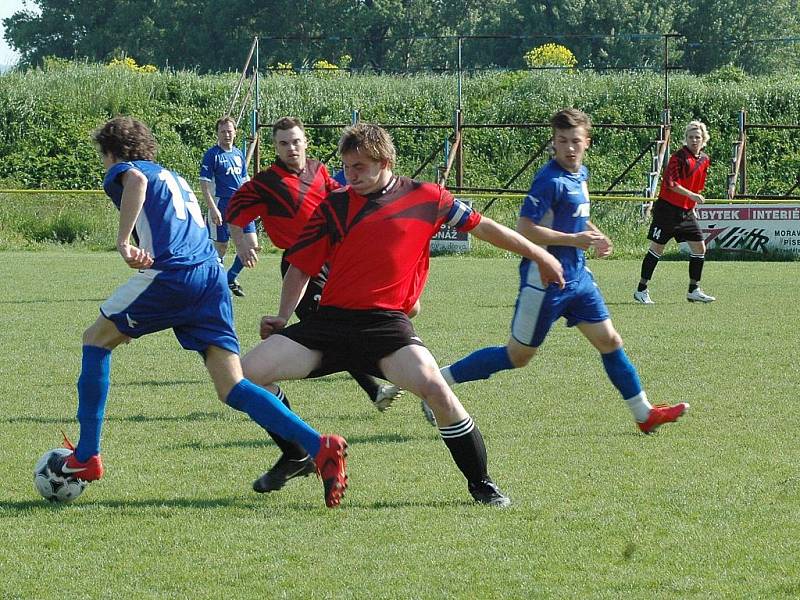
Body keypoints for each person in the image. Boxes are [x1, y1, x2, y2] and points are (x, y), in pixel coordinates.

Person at [239, 123, 566, 507]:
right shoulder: (336, 205)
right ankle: (300, 451)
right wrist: (282, 316)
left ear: (385, 161)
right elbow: (300, 267)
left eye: (360, 166)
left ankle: (482, 484)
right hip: (329, 323)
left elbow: (485, 228)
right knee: (245, 376)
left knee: (436, 390)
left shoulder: (427, 197)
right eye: (346, 166)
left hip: (385, 327)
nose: (351, 175)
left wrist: (540, 254)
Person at [53, 116, 347, 508]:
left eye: (104, 159)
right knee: (232, 387)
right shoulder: (172, 175)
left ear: (112, 152)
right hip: (211, 278)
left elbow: (135, 183)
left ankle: (87, 456)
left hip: (174, 276)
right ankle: (318, 445)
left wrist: (124, 242)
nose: (106, 167)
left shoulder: (130, 170)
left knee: (95, 340)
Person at [439, 109, 689, 435]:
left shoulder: (580, 173)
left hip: (579, 279)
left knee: (610, 341)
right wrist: (575, 239)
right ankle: (440, 381)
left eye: (575, 141)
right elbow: (526, 229)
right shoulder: (548, 181)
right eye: (562, 141)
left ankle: (644, 414)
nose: (569, 148)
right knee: (517, 356)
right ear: (553, 143)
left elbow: (574, 215)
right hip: (544, 280)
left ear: (587, 142)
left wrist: (595, 235)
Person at [224, 118, 404, 493]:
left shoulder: (322, 174)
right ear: (275, 147)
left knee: (337, 332)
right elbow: (236, 209)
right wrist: (242, 238)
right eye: (283, 143)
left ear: (306, 143)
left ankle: (299, 450)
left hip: (337, 262)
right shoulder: (265, 183)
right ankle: (383, 387)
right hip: (301, 265)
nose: (291, 148)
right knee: (335, 331)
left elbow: (352, 202)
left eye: (296, 141)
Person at [634, 120, 714, 304]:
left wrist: (692, 205)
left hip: (686, 212)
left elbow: (697, 186)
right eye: (690, 137)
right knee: (657, 248)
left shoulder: (704, 160)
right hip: (667, 210)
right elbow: (671, 184)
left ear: (704, 140)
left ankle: (694, 289)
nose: (694, 140)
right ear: (685, 139)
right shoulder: (678, 158)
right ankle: (641, 289)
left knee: (700, 248)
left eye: (698, 137)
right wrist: (692, 196)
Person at [199, 116, 256, 297]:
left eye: (229, 131)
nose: (227, 134)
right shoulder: (212, 155)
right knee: (221, 246)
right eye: (223, 131)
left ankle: (229, 277)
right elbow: (204, 184)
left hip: (241, 207)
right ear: (217, 134)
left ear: (235, 132)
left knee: (252, 245)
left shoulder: (238, 154)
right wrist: (212, 208)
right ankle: (214, 284)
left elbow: (245, 181)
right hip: (221, 205)